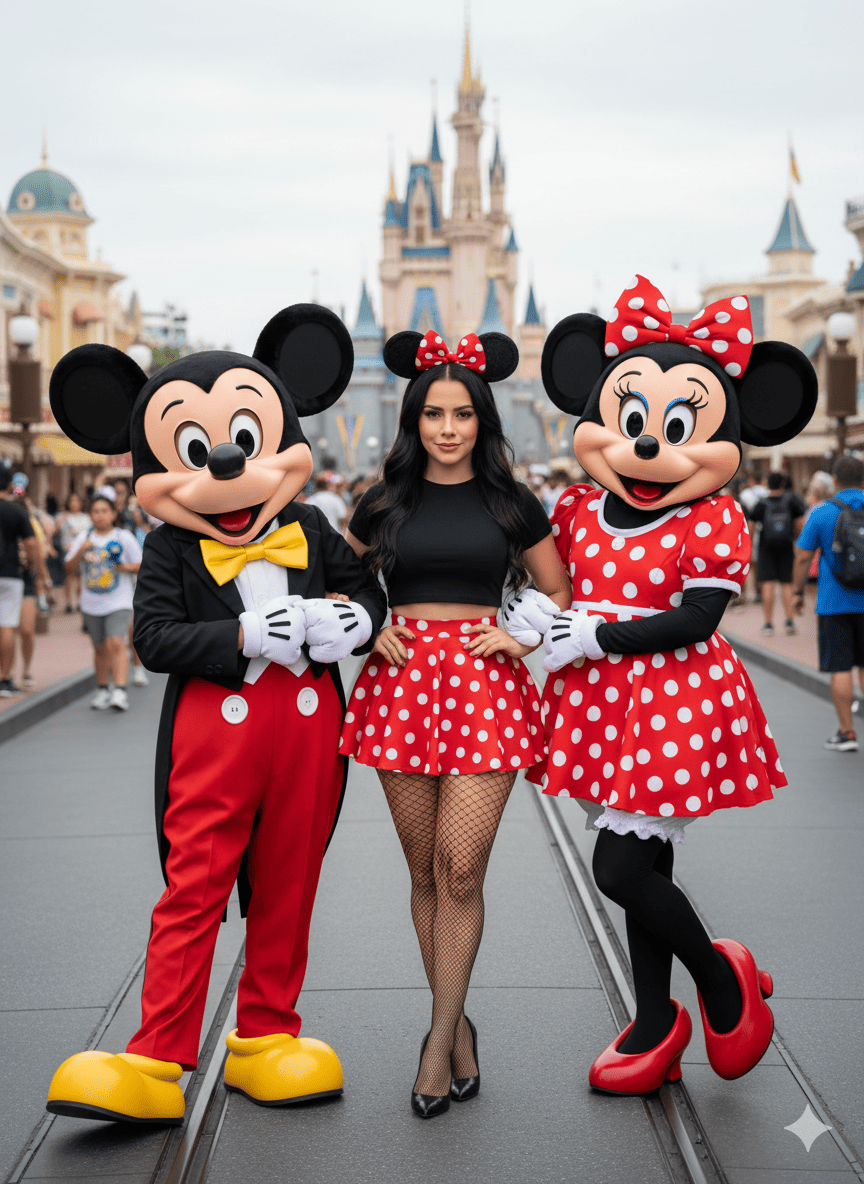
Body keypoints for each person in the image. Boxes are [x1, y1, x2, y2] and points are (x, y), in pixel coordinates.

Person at [529, 275, 816, 1096]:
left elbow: (697, 620)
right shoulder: (580, 509)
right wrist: (535, 622)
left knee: (618, 871)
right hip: (603, 705)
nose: (649, 447)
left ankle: (720, 980)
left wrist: (596, 633)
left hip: (671, 706)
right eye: (630, 422)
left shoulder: (712, 516)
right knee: (645, 867)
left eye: (680, 426)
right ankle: (655, 1022)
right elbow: (550, 581)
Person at [340, 329, 571, 1118]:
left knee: (461, 866)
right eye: (433, 413)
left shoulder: (512, 502)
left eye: (462, 414)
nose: (446, 427)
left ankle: (436, 1043)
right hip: (401, 687)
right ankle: (460, 1022)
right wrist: (370, 623)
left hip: (484, 687)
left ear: (482, 420)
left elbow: (558, 592)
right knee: (422, 875)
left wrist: (525, 634)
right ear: (414, 419)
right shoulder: (382, 502)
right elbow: (343, 584)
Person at [793, 454, 864, 752]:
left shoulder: (822, 512)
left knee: (841, 668)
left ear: (834, 480)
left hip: (834, 603)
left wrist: (797, 592)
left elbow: (802, 557)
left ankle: (847, 732)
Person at [65, 492, 142, 711]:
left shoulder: (123, 537)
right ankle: (101, 689)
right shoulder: (84, 538)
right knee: (99, 648)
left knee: (116, 643)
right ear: (90, 515)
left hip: (119, 601)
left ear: (113, 513)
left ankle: (119, 691)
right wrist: (81, 551)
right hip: (91, 602)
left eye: (104, 511)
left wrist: (124, 567)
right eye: (96, 512)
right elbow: (69, 569)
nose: (100, 516)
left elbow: (141, 564)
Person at [747, 471, 806, 636]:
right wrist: (794, 536)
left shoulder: (761, 503)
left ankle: (768, 623)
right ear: (782, 484)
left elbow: (750, 526)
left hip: (766, 547)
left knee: (767, 584)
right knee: (786, 583)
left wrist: (749, 545)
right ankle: (789, 621)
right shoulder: (791, 501)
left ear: (767, 484)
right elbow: (800, 523)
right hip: (786, 546)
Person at [56, 492, 90, 612]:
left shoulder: (87, 518)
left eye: (77, 501)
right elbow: (56, 530)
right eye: (72, 501)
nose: (74, 504)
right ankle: (69, 602)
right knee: (69, 576)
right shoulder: (63, 517)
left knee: (80, 576)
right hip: (68, 550)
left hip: (82, 551)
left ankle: (80, 601)